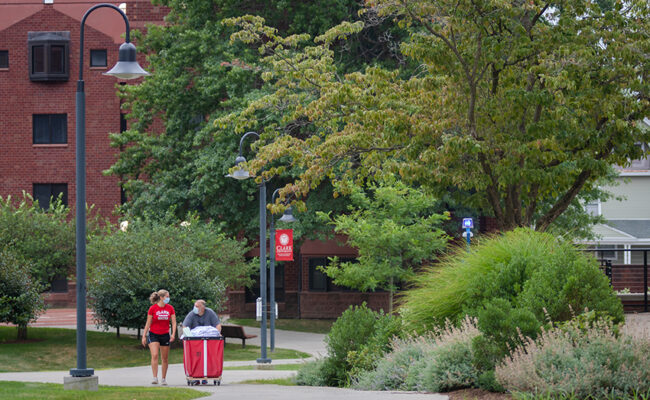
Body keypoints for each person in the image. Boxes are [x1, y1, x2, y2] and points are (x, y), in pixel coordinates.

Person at [142, 289, 177, 385]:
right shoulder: (152, 308)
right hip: (154, 334)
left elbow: (173, 322)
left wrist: (173, 334)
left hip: (165, 335)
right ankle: (155, 377)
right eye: (167, 296)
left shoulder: (170, 308)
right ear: (161, 297)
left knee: (164, 358)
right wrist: (144, 336)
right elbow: (148, 323)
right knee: (155, 355)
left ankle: (164, 378)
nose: (168, 298)